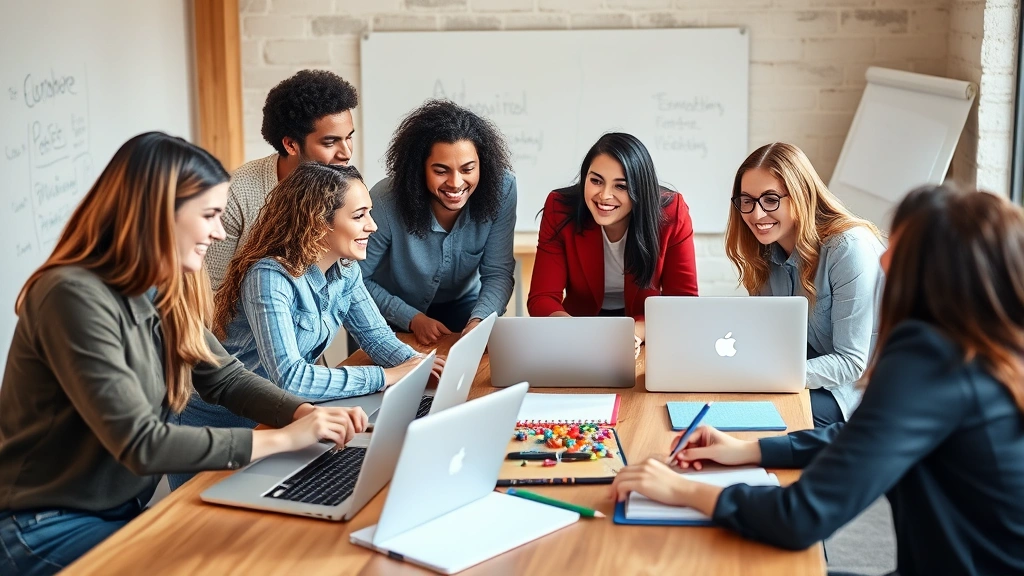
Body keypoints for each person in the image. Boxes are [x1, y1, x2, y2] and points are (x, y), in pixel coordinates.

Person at [0, 133, 367, 575]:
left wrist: (301, 413)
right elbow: (141, 444)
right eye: (209, 215)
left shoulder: (160, 285)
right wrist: (283, 439)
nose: (218, 231)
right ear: (159, 215)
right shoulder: (71, 296)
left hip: (119, 510)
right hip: (43, 524)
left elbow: (223, 377)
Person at [612, 184, 1024, 576]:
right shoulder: (984, 354)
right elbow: (863, 438)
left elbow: (800, 517)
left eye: (897, 246)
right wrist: (751, 450)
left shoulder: (927, 360)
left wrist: (684, 491)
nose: (882, 259)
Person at [168, 163, 443, 490]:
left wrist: (420, 365)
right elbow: (292, 378)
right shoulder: (269, 277)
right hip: (221, 425)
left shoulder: (345, 268)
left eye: (369, 213)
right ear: (318, 224)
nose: (372, 225)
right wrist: (386, 376)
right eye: (359, 216)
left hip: (277, 418)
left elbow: (377, 338)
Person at [724, 142, 884, 427]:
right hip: (806, 376)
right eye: (746, 200)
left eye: (771, 199)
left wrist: (765, 373)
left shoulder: (847, 247)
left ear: (799, 195)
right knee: (726, 404)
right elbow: (769, 338)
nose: (756, 214)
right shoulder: (765, 250)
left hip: (859, 391)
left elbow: (851, 362)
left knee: (751, 416)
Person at [359, 99, 516, 347]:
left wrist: (480, 321)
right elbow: (357, 281)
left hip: (464, 306)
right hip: (386, 310)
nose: (455, 183)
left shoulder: (502, 188)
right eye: (441, 171)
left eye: (468, 169)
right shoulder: (385, 199)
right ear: (419, 169)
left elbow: (498, 272)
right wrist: (410, 318)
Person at [527, 132, 698, 358]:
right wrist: (575, 332)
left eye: (621, 186)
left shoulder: (670, 212)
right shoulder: (560, 208)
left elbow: (683, 303)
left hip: (643, 330)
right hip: (578, 328)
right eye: (596, 181)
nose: (604, 196)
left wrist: (633, 334)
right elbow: (542, 298)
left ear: (640, 189)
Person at [205, 69, 359, 290]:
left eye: (349, 137)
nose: (346, 153)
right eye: (329, 142)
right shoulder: (237, 193)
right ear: (290, 145)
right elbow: (212, 289)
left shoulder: (346, 189)